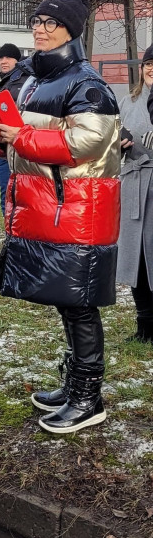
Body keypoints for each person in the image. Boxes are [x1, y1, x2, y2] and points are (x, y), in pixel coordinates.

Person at [0, 0, 120, 434]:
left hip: (80, 209)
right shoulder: (34, 78)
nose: (39, 28)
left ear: (71, 29)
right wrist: (1, 138)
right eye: (35, 20)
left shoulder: (87, 83)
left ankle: (88, 398)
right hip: (51, 205)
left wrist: (20, 137)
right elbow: (30, 135)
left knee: (79, 304)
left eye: (50, 22)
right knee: (67, 301)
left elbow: (85, 143)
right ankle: (74, 385)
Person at [117, 45, 153, 343]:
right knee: (135, 258)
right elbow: (112, 138)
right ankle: (144, 324)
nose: (151, 68)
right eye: (148, 63)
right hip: (133, 183)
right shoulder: (129, 100)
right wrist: (120, 143)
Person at [0, 43, 28, 211]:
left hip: (17, 146)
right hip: (4, 147)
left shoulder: (25, 80)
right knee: (6, 198)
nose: (3, 61)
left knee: (12, 199)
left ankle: (12, 235)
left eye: (8, 57)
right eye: (1, 57)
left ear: (17, 60)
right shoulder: (4, 82)